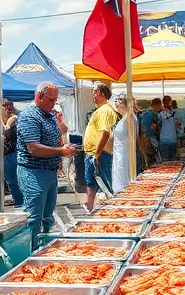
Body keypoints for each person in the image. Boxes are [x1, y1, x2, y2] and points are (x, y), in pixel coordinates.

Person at [16, 81, 75, 236]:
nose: (54, 103)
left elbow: (57, 136)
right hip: (33, 171)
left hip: (49, 171)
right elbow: (33, 148)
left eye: (55, 100)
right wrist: (60, 151)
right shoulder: (29, 116)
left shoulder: (49, 115)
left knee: (48, 217)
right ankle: (29, 251)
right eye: (51, 99)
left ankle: (44, 246)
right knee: (34, 217)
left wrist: (62, 130)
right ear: (39, 97)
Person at [82, 82, 118, 210]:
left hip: (99, 154)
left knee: (105, 185)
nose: (93, 95)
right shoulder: (101, 110)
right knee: (91, 182)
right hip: (93, 154)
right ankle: (90, 206)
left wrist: (97, 154)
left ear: (102, 94)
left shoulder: (104, 110)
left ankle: (111, 210)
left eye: (95, 92)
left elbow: (105, 133)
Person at [110, 92, 139, 193]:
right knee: (120, 178)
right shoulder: (126, 117)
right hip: (120, 154)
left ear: (124, 104)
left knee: (123, 180)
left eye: (118, 102)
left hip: (125, 155)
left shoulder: (130, 118)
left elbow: (132, 137)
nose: (116, 105)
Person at [0, 100, 23, 208]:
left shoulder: (15, 118)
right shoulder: (1, 119)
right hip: (6, 155)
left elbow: (10, 137)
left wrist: (8, 125)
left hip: (13, 153)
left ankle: (20, 203)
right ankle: (19, 202)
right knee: (12, 182)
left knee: (14, 181)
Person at [140, 97, 162, 166]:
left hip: (143, 138)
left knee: (147, 158)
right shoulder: (154, 115)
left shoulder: (144, 114)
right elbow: (154, 127)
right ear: (158, 105)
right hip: (151, 138)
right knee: (156, 158)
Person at [158, 95, 179, 161]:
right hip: (165, 139)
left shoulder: (172, 111)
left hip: (172, 138)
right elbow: (166, 117)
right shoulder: (161, 112)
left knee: (172, 160)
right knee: (166, 160)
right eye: (170, 101)